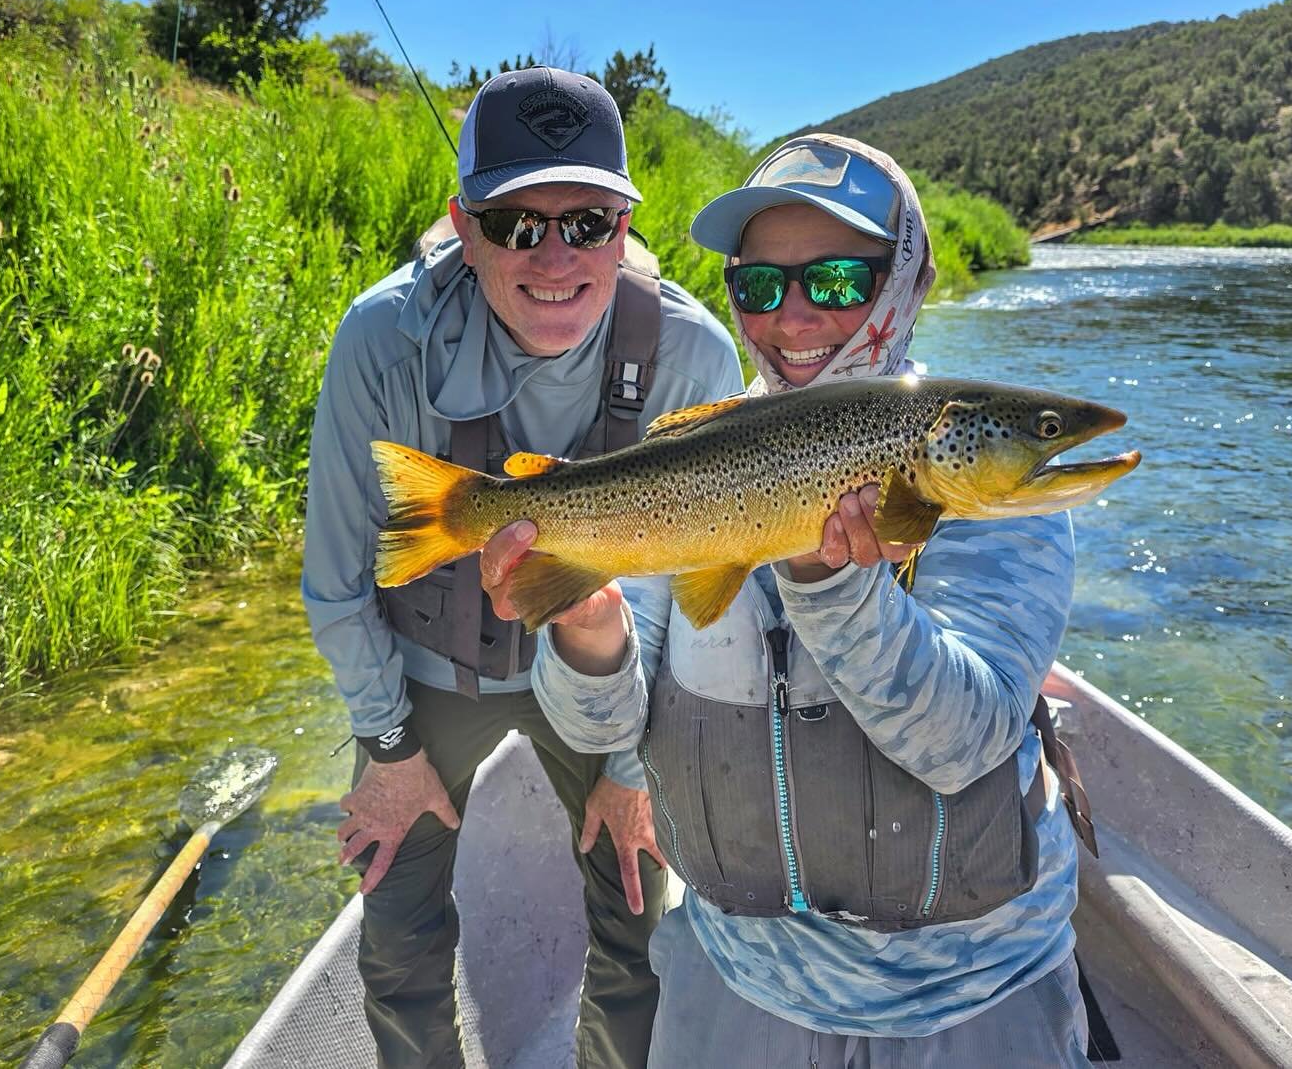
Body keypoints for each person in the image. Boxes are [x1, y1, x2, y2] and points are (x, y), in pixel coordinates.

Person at [493, 134, 1095, 1065]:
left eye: (840, 282)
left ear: (902, 281)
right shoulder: (688, 462)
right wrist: (588, 623)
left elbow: (963, 742)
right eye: (761, 287)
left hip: (973, 993)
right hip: (735, 978)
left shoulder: (975, 482)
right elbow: (599, 723)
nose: (798, 316)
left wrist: (828, 580)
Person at [302, 66, 744, 1068]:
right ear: (464, 228)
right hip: (427, 674)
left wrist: (633, 768)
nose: (556, 256)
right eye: (515, 226)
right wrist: (386, 741)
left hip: (606, 679)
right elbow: (334, 580)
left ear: (627, 225)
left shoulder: (691, 354)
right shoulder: (383, 339)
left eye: (587, 221)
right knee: (397, 935)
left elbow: (688, 606)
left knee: (638, 919)